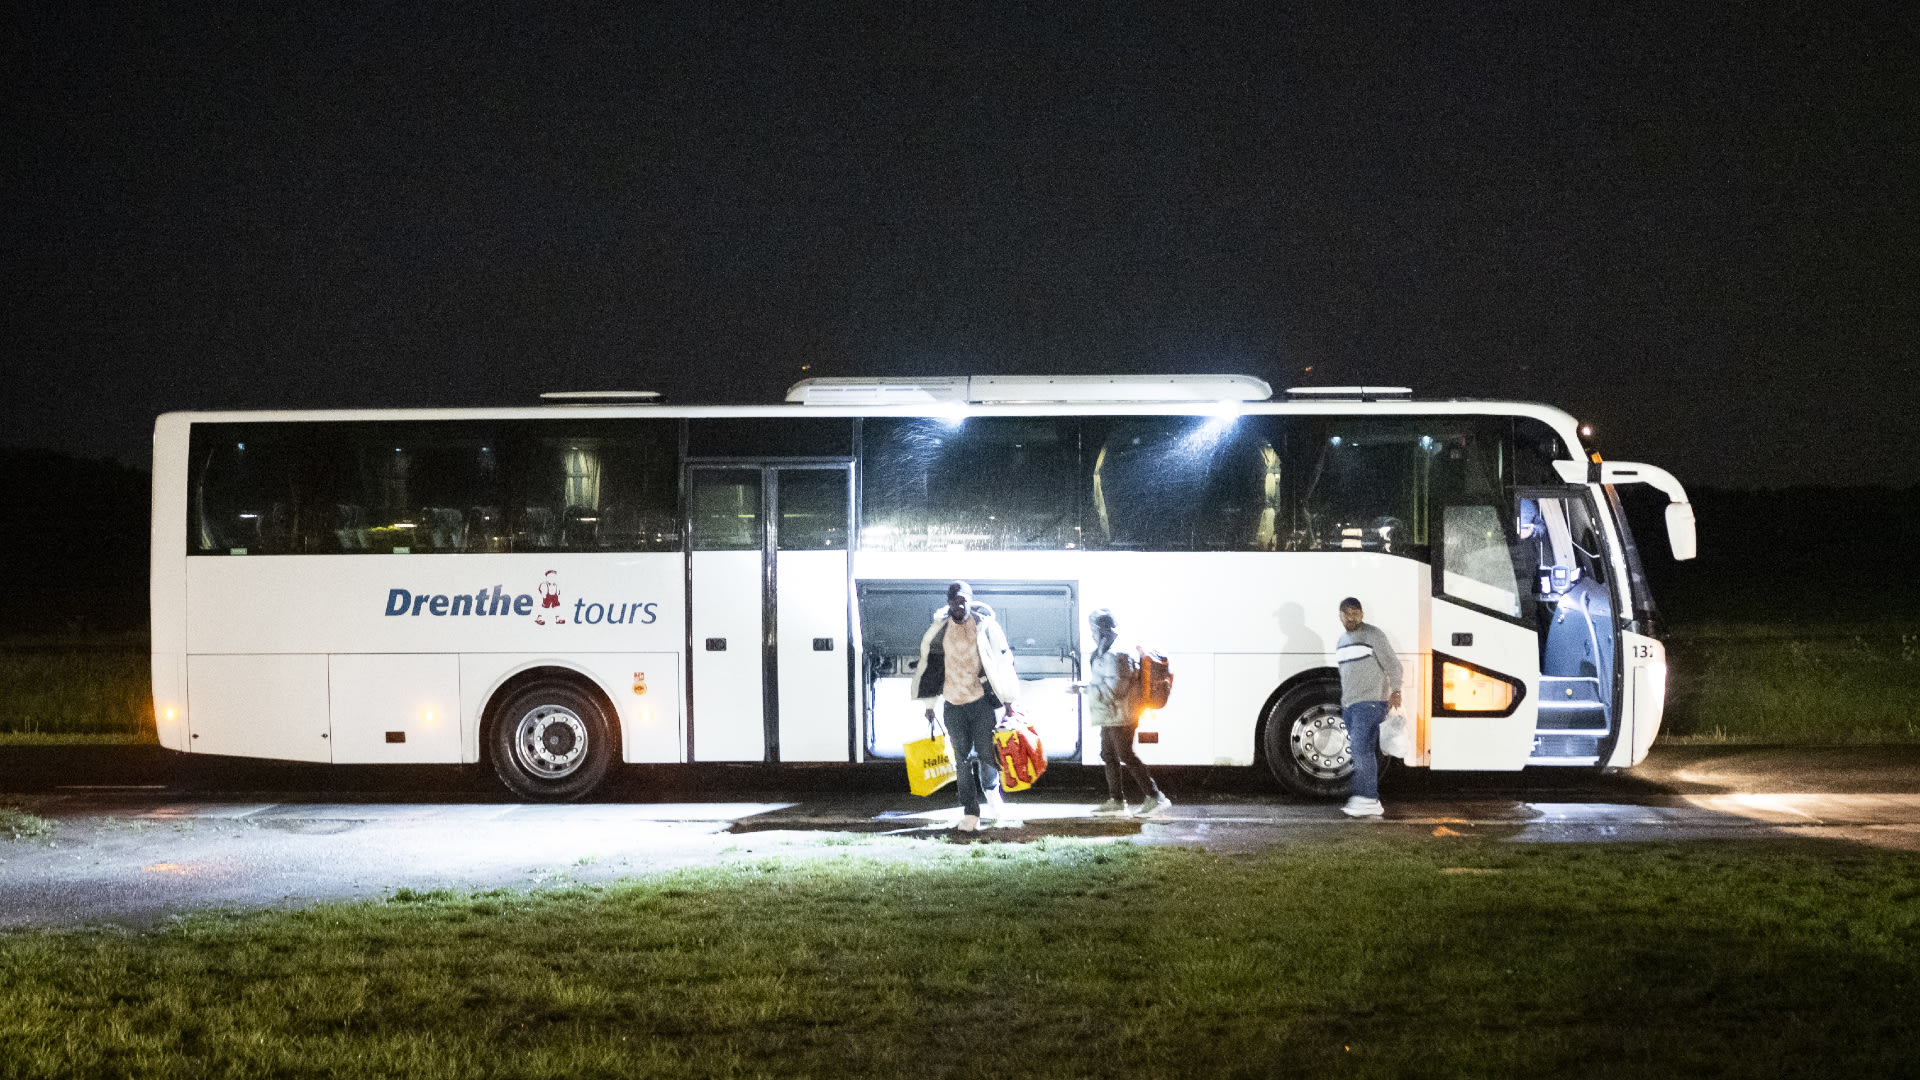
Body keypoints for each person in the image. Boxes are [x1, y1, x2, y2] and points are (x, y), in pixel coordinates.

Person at [915, 581, 1021, 832]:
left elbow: (1004, 662)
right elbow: (930, 666)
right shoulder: (939, 629)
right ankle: (970, 812)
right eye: (954, 600)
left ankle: (993, 795)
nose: (959, 605)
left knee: (987, 754)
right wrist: (930, 704)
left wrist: (1009, 700)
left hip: (980, 702)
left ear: (970, 600)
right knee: (961, 759)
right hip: (953, 703)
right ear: (949, 602)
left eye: (963, 600)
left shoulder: (986, 626)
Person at [1082, 609, 1171, 816]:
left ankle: (1156, 797)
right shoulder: (1106, 650)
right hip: (1112, 714)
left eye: (1093, 629)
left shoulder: (1117, 654)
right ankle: (1116, 801)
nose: (1091, 634)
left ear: (1102, 630)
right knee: (1108, 754)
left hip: (1123, 715)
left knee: (1125, 755)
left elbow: (1116, 689)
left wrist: (1086, 689)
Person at [1335, 597, 1402, 818]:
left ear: (1362, 614)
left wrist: (1396, 690)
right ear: (1340, 615)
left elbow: (1393, 664)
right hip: (1350, 705)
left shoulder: (1374, 635)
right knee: (1362, 751)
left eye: (1355, 612)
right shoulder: (1341, 641)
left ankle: (1368, 798)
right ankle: (1366, 798)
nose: (1351, 617)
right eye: (1347, 612)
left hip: (1371, 702)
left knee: (1361, 750)